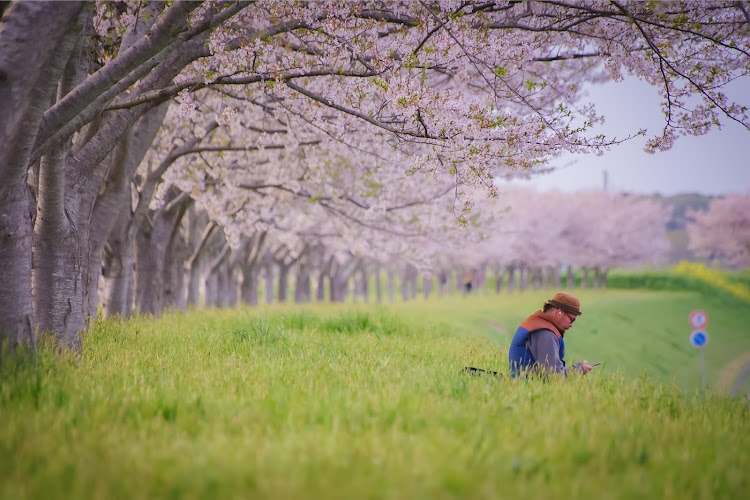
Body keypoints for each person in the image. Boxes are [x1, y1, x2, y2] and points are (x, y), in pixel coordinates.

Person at [508, 292, 593, 378]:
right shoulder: (545, 334)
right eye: (571, 320)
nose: (572, 325)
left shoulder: (536, 323)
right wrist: (579, 369)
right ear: (559, 312)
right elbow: (554, 376)